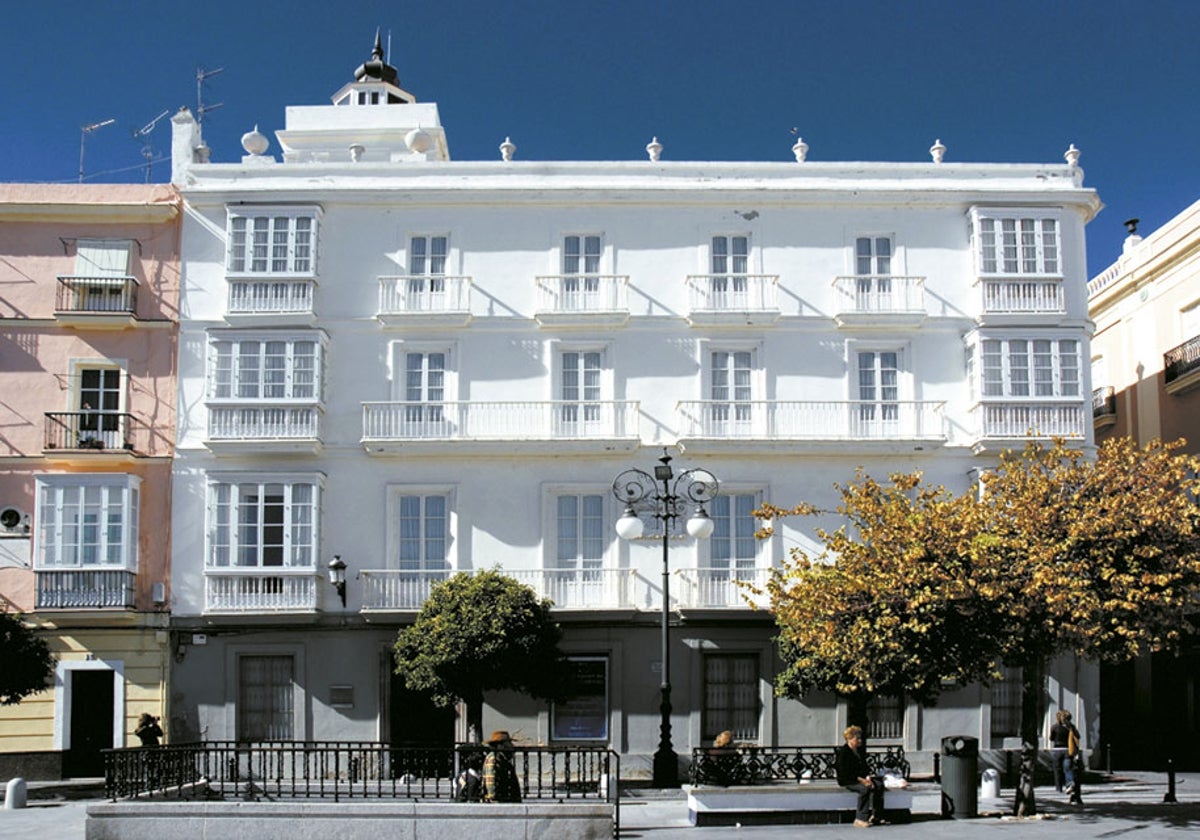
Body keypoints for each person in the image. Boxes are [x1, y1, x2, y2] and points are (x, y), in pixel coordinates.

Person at [836, 725, 887, 828]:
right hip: (849, 780)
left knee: (879, 785)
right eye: (857, 738)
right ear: (849, 739)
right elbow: (845, 773)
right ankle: (860, 818)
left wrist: (867, 777)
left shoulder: (859, 752)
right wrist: (862, 780)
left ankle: (876, 816)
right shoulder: (844, 753)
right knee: (864, 789)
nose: (859, 740)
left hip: (861, 779)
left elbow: (864, 768)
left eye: (860, 738)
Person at [1048, 710, 1081, 799]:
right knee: (1067, 768)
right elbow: (1078, 736)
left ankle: (1058, 788)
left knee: (1057, 769)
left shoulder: (1054, 727)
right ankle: (1069, 783)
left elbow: (1051, 738)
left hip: (1057, 750)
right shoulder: (1071, 727)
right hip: (1068, 749)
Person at [482, 730, 522, 802]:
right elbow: (491, 783)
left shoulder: (503, 758)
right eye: (508, 743)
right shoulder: (493, 759)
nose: (512, 745)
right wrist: (494, 799)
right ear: (500, 745)